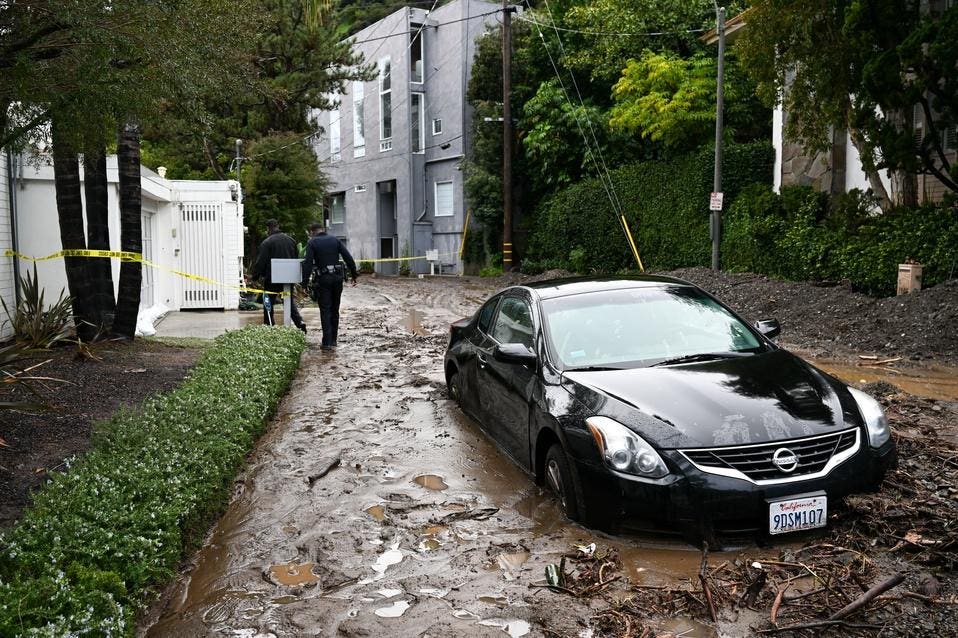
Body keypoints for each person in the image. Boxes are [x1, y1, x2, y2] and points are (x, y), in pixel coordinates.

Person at [301, 222, 357, 349]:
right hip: (337, 278)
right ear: (322, 229)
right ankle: (333, 340)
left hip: (323, 280)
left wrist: (304, 283)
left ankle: (326, 342)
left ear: (312, 232)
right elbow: (348, 258)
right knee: (334, 310)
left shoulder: (312, 243)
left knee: (325, 310)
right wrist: (354, 275)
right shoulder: (335, 240)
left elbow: (308, 264)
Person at [250, 219, 307, 333]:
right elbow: (295, 259)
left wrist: (255, 277)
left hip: (272, 279)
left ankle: (269, 325)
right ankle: (299, 322)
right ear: (278, 226)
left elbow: (261, 262)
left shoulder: (267, 242)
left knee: (268, 301)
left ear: (268, 229)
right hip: (288, 278)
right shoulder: (291, 241)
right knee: (288, 301)